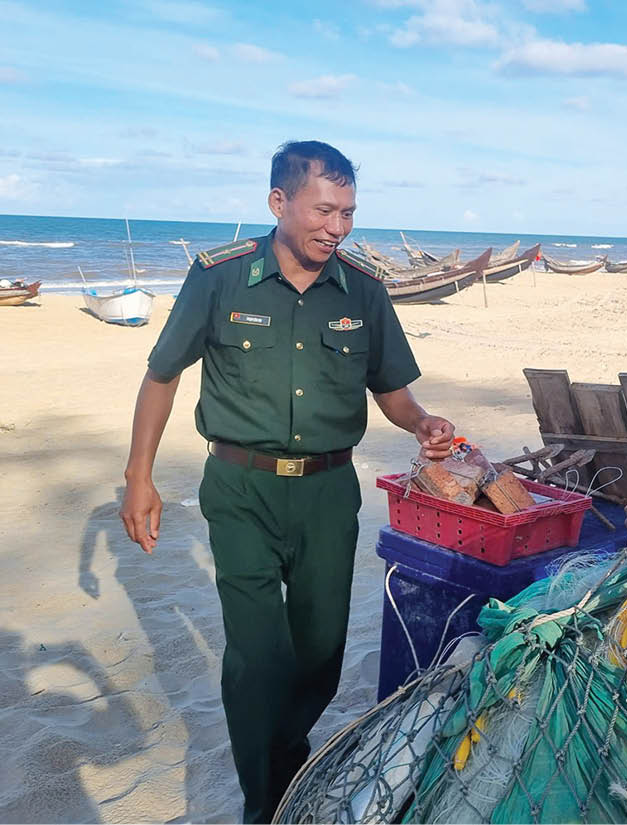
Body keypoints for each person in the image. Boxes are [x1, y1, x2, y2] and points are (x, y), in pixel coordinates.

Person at [119, 140, 455, 822]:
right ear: (279, 202)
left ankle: (283, 752)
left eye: (349, 212)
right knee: (258, 655)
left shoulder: (362, 289)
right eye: (325, 210)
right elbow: (161, 375)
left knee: (322, 651)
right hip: (239, 488)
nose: (337, 227)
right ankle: (264, 801)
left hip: (329, 495)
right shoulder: (218, 278)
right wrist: (138, 477)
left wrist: (421, 421)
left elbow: (391, 388)